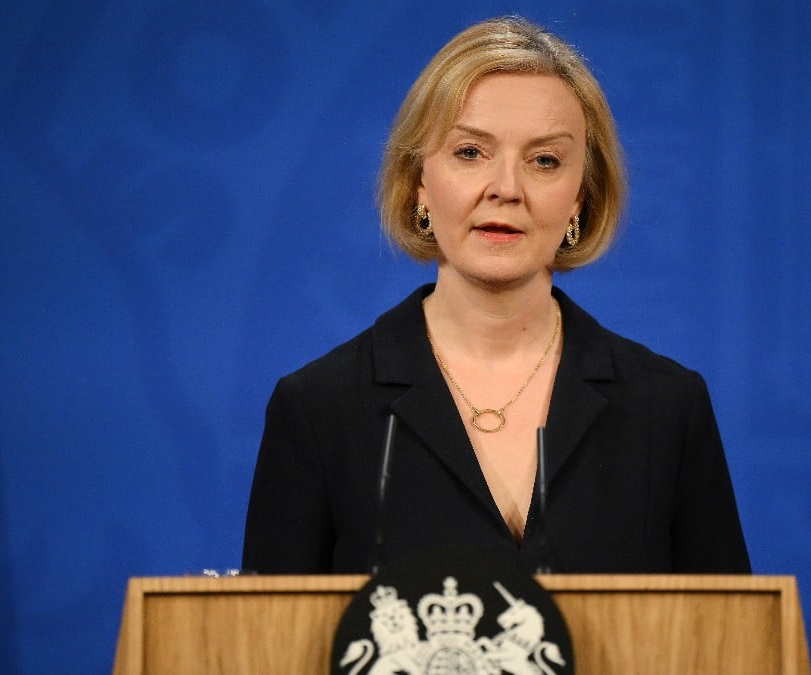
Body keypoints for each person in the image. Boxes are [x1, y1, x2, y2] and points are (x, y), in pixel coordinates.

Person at [242, 16, 750, 575]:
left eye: (544, 160)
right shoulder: (318, 410)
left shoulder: (667, 409)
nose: (506, 188)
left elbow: (730, 625)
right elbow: (274, 627)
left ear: (580, 198)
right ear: (419, 183)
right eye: (470, 152)